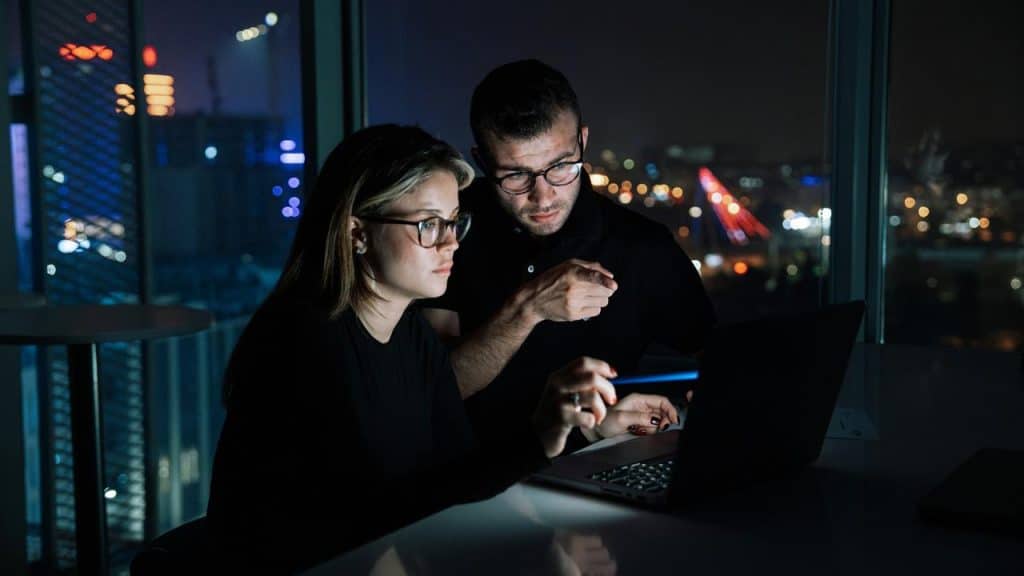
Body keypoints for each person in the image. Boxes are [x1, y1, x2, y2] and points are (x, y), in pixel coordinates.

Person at [205, 124, 618, 573]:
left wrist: (547, 430)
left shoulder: (407, 331)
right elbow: (372, 523)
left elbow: (450, 480)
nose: (451, 243)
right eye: (427, 224)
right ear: (356, 233)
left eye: (454, 221)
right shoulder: (303, 347)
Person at [422, 59, 715, 450]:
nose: (542, 196)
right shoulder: (447, 232)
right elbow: (430, 393)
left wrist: (692, 404)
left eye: (560, 166)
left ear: (583, 142)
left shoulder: (643, 246)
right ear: (481, 161)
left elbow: (715, 359)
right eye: (515, 175)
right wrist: (527, 307)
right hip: (466, 474)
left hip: (594, 465)